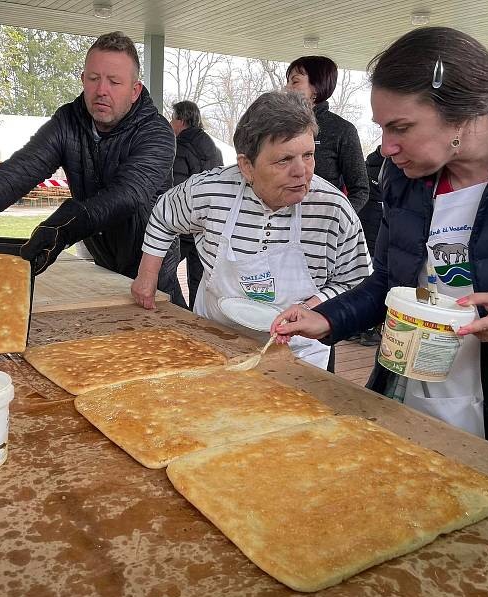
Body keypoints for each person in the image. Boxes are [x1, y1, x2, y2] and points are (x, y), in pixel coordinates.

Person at [271, 27, 488, 480]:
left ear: (461, 115)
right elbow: (389, 283)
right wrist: (329, 318)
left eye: (401, 128)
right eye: (383, 128)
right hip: (414, 394)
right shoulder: (404, 177)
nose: (386, 147)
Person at [0, 31, 186, 307]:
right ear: (83, 79)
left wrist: (63, 226)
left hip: (152, 268)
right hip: (105, 263)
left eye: (114, 82)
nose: (101, 91)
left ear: (135, 90)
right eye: (94, 78)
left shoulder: (156, 133)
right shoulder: (67, 122)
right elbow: (18, 172)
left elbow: (128, 194)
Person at [132, 91, 370, 371]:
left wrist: (313, 307)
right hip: (213, 339)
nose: (301, 172)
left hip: (297, 353)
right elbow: (164, 215)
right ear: (246, 166)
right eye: (284, 160)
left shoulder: (333, 209)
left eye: (308, 155)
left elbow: (356, 283)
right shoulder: (211, 190)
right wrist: (147, 275)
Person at [286, 56, 369, 214]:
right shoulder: (280, 127)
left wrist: (336, 220)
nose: (286, 88)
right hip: (279, 226)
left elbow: (360, 190)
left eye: (294, 81)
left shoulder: (342, 130)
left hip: (320, 230)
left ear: (316, 87)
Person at [170, 100, 224, 308]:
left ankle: (179, 313)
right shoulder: (214, 148)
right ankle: (196, 320)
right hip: (208, 225)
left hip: (184, 225)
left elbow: (174, 188)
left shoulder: (179, 147)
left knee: (159, 271)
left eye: (173, 118)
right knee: (198, 280)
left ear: (182, 120)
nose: (171, 122)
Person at [356, 147, 385, 346]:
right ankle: (368, 331)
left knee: (365, 277)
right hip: (377, 227)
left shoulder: (367, 167)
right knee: (375, 278)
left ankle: (355, 328)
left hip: (365, 223)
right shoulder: (389, 170)